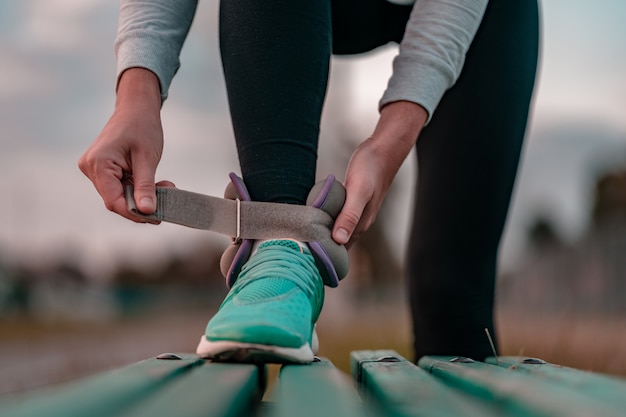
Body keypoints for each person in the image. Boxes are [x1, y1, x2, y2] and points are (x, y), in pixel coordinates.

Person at [78, 0, 539, 363]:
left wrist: (390, 140)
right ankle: (278, 259)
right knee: (281, 234)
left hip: (477, 11)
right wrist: (135, 93)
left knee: (452, 299)